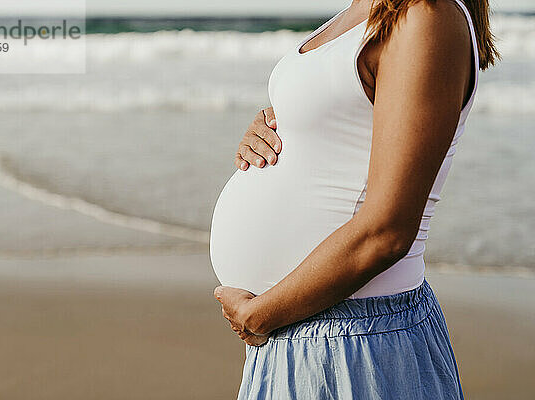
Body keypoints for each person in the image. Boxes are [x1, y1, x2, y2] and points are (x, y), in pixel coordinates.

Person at [210, 0, 500, 398]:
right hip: (299, 331)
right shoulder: (362, 9)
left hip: (354, 342)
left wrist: (259, 314)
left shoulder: (426, 16)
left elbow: (388, 230)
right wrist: (274, 132)